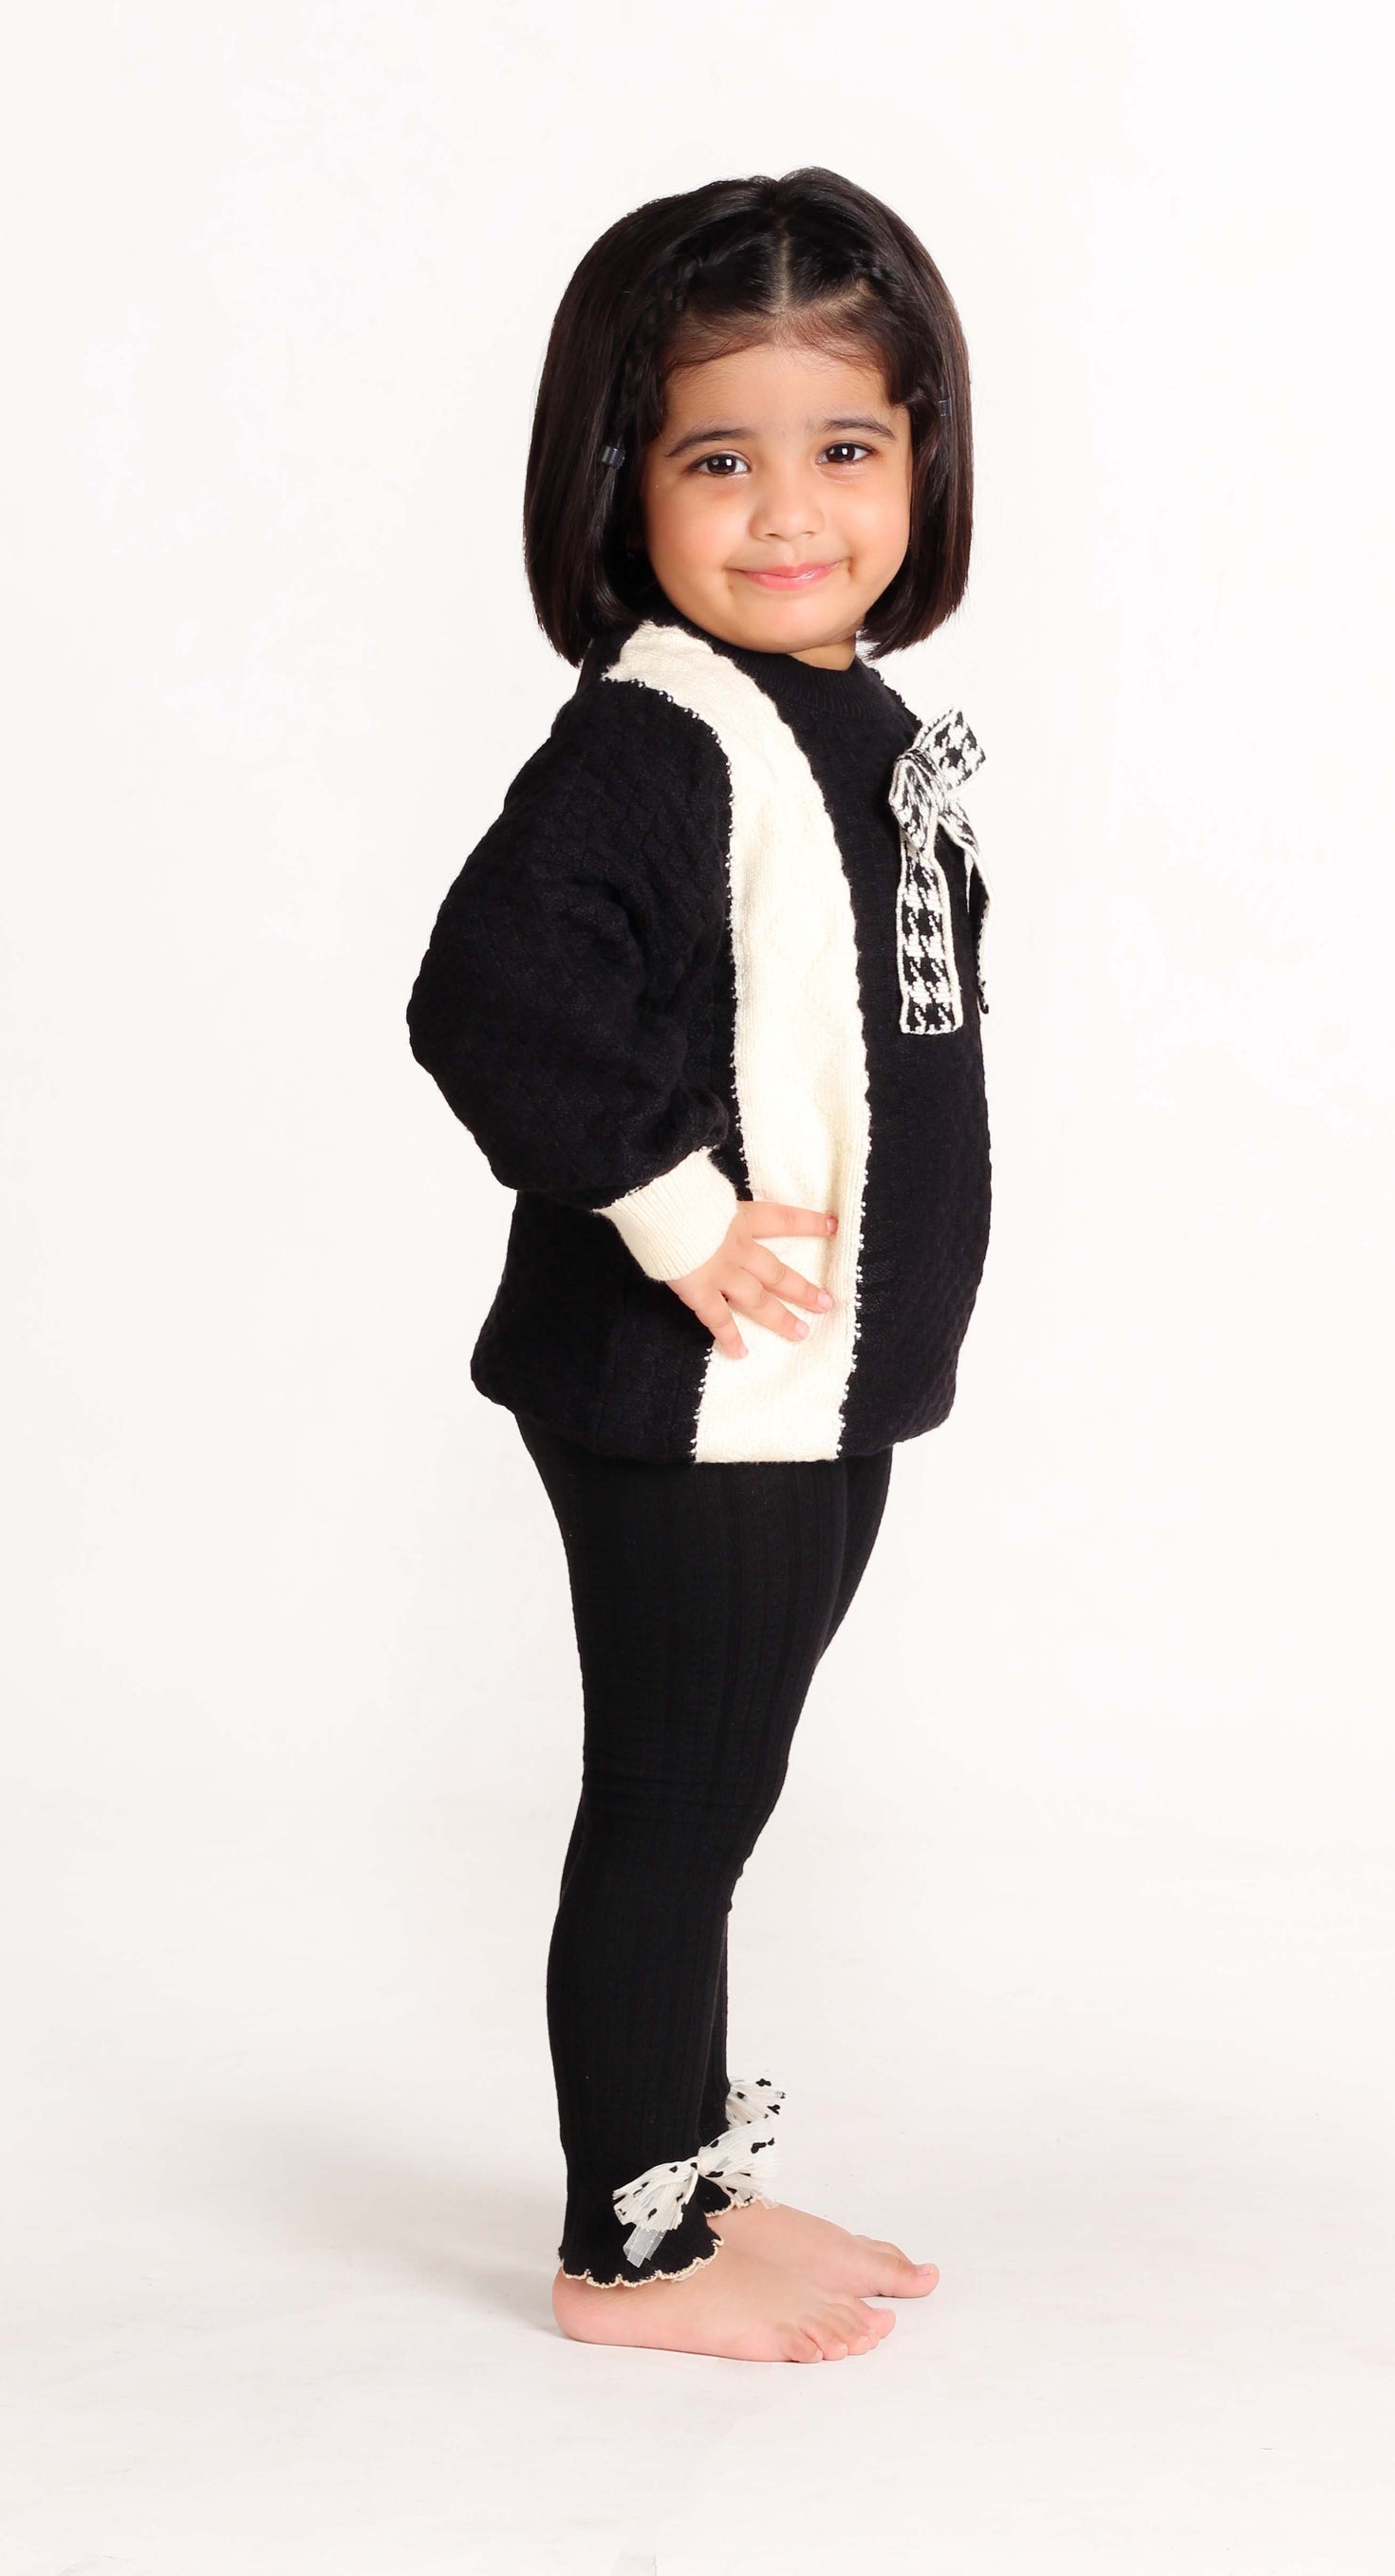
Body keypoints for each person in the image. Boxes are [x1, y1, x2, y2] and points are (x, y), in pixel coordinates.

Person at [406, 167, 992, 2362]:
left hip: (819, 1377)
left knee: (719, 1796)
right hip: (694, 1385)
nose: (789, 513)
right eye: (717, 460)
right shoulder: (656, 736)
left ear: (922, 459)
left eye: (842, 447)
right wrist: (671, 1209)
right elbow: (493, 992)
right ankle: (628, 2246)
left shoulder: (855, 722)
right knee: (672, 1803)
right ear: (620, 480)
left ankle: (684, 2171)